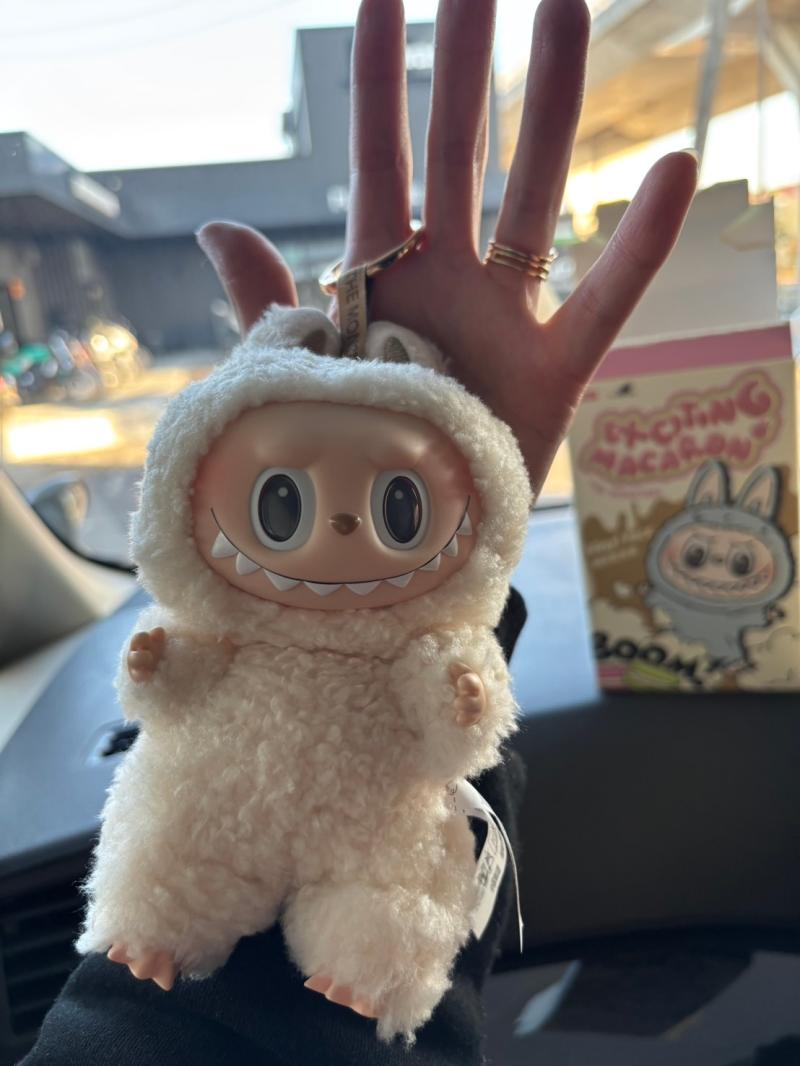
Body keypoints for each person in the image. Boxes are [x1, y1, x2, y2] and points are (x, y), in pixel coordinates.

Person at [21, 0, 696, 1062]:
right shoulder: (236, 605)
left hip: (355, 844)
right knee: (175, 870)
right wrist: (163, 660)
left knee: (381, 904)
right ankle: (172, 927)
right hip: (216, 824)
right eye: (281, 506)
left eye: (395, 509)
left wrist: (459, 666)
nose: (338, 524)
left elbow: (457, 725)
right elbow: (174, 677)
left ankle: (357, 956)